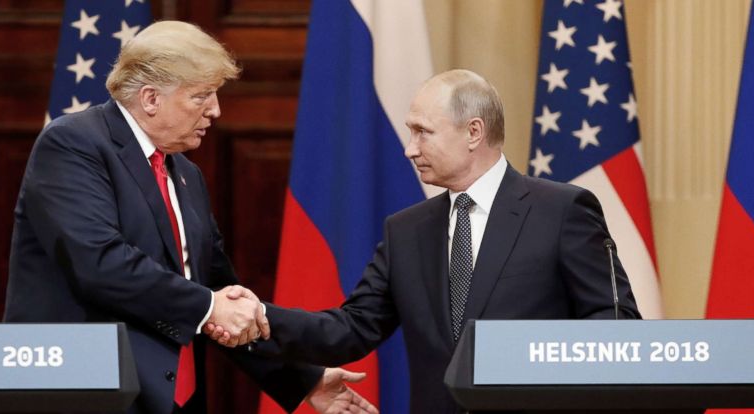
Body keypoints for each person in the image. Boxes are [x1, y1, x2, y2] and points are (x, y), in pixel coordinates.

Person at [206, 69, 641, 413]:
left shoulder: (561, 210)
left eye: (422, 132)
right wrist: (261, 315)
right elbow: (350, 329)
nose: (409, 149)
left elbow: (614, 325)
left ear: (473, 132)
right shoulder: (406, 230)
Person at [3, 20, 376, 414]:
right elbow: (100, 262)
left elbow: (215, 289)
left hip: (168, 397)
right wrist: (212, 307)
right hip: (87, 392)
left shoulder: (185, 173)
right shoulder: (74, 144)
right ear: (150, 99)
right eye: (201, 96)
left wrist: (303, 378)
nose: (215, 110)